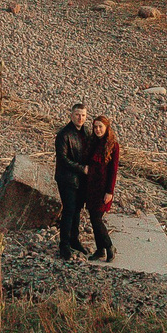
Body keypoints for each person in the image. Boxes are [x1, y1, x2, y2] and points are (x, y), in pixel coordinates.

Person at [54, 102, 95, 259]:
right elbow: (62, 159)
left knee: (77, 210)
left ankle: (74, 240)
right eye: (78, 115)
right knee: (69, 210)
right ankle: (64, 244)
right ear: (71, 115)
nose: (80, 118)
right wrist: (82, 168)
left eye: (83, 115)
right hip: (66, 178)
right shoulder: (64, 135)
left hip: (80, 179)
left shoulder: (86, 133)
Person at [79, 114, 121, 264]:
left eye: (100, 127)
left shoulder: (113, 145)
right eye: (95, 127)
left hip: (103, 189)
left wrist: (109, 191)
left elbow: (113, 171)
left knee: (97, 219)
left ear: (106, 128)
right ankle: (99, 249)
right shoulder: (93, 142)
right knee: (93, 218)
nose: (97, 129)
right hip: (91, 187)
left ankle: (109, 247)